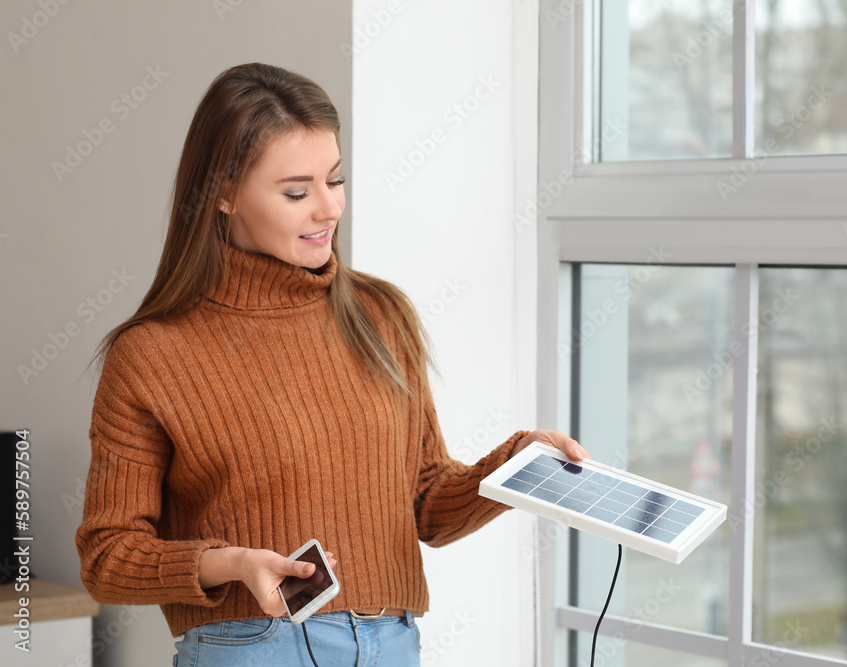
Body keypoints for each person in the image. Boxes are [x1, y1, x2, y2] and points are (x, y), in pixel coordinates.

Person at [75, 62, 588, 667]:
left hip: (393, 642)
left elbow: (424, 503)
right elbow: (108, 558)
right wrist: (234, 563)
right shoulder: (153, 353)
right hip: (250, 648)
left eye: (335, 181)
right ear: (223, 191)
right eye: (296, 192)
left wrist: (516, 466)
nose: (328, 209)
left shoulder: (379, 315)